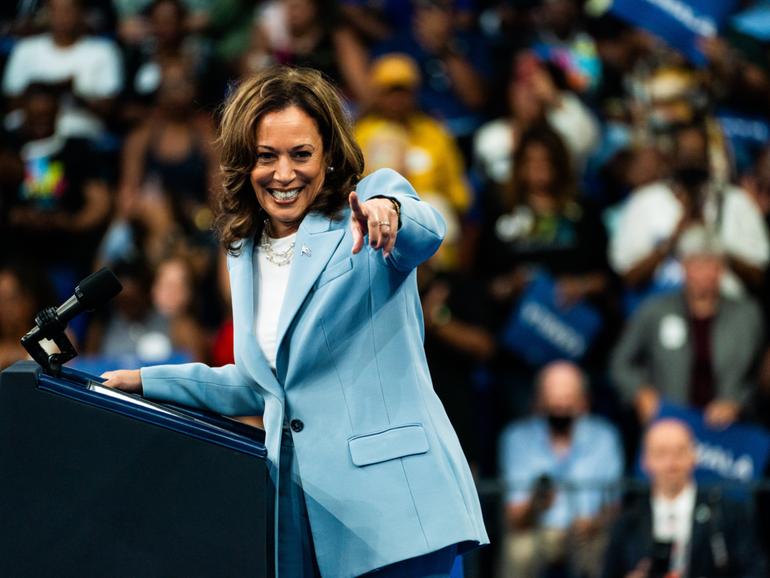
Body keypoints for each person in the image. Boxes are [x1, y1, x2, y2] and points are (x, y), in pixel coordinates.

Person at [101, 66, 488, 578]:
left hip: (398, 512)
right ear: (245, 160)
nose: (283, 174)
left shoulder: (365, 209)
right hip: (310, 523)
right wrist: (146, 381)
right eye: (267, 156)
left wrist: (388, 210)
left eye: (300, 154)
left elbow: (425, 231)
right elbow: (263, 384)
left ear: (328, 155)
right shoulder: (244, 252)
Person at [610, 225, 764, 429]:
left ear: (722, 270)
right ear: (683, 267)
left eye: (711, 264)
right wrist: (641, 393)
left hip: (728, 431)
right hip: (669, 423)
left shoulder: (747, 315)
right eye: (695, 264)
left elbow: (760, 376)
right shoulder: (654, 310)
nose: (703, 273)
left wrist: (737, 402)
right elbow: (620, 363)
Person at [498, 361, 623, 578]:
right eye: (553, 406)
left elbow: (614, 507)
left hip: (589, 532)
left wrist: (593, 523)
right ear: (538, 402)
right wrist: (536, 504)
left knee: (606, 547)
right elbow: (515, 518)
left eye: (567, 404)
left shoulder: (604, 436)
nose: (560, 411)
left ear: (584, 401)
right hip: (539, 531)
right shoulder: (517, 438)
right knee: (519, 550)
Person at [601, 418, 766, 578]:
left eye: (680, 451)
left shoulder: (727, 513)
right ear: (645, 461)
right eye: (661, 453)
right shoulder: (628, 521)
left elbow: (755, 569)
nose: (671, 462)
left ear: (694, 456)